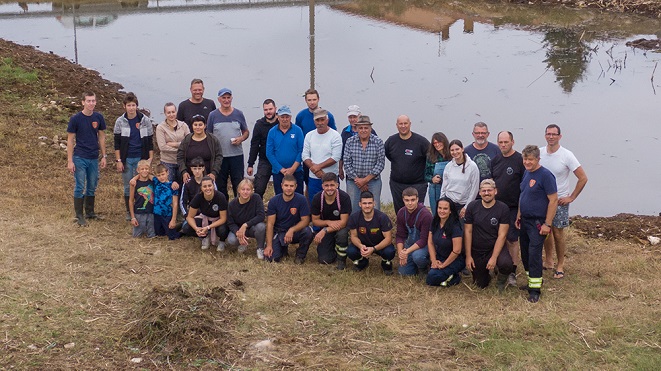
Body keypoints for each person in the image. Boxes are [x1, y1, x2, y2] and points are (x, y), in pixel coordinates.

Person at [540, 124, 588, 279]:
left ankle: (560, 265)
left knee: (558, 233)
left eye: (554, 134)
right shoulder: (539, 153)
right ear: (545, 135)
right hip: (542, 200)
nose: (551, 137)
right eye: (548, 134)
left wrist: (571, 197)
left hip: (559, 200)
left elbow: (583, 178)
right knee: (545, 231)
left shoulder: (567, 155)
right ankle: (549, 260)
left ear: (560, 136)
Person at [517, 145, 558, 303]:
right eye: (525, 159)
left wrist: (547, 224)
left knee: (534, 255)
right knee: (525, 253)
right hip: (524, 220)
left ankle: (535, 290)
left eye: (530, 160)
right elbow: (523, 195)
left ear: (538, 159)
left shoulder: (546, 175)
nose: (527, 162)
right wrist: (519, 215)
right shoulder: (527, 173)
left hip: (538, 222)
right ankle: (531, 281)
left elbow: (553, 200)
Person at [464, 179, 514, 291]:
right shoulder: (472, 207)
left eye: (489, 190)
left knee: (506, 264)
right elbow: (468, 232)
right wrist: (468, 256)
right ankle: (486, 274)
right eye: (484, 191)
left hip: (494, 247)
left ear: (495, 191)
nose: (487, 193)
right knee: (480, 284)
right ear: (479, 192)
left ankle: (501, 281)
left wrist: (494, 257)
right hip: (477, 249)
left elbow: (502, 235)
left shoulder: (503, 208)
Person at [66, 91, 107, 226]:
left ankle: (90, 212)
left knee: (92, 185)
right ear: (83, 102)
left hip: (93, 157)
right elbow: (70, 141)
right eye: (88, 101)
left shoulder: (99, 117)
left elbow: (101, 137)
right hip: (80, 157)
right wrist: (70, 161)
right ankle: (79, 216)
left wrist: (104, 156)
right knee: (80, 186)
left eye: (93, 101)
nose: (91, 103)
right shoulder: (75, 119)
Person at [491, 131, 525, 287]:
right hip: (497, 206)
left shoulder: (520, 160)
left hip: (513, 207)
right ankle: (500, 267)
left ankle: (512, 272)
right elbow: (492, 183)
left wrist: (520, 211)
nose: (503, 145)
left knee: (512, 239)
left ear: (513, 142)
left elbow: (524, 187)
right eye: (500, 142)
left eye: (506, 142)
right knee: (499, 237)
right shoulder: (495, 160)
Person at [114, 92, 154, 221]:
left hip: (141, 158)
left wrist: (150, 159)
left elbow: (149, 140)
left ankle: (142, 209)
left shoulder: (144, 120)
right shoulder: (120, 121)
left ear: (137, 106)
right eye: (129, 105)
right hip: (127, 159)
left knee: (143, 185)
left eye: (133, 105)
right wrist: (119, 160)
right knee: (128, 186)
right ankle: (128, 211)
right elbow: (117, 143)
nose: (131, 108)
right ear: (124, 106)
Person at [207, 88, 249, 200]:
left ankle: (240, 208)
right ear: (219, 99)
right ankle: (224, 212)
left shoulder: (239, 114)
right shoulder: (213, 115)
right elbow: (208, 135)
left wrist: (241, 138)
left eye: (228, 97)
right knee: (221, 186)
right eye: (223, 98)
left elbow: (246, 132)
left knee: (238, 184)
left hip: (236, 156)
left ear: (231, 98)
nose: (226, 100)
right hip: (220, 157)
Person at [384, 115, 430, 213]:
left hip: (418, 184)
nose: (403, 126)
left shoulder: (421, 142)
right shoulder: (391, 141)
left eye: (405, 123)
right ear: (397, 125)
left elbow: (431, 158)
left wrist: (430, 176)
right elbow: (388, 155)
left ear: (410, 124)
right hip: (397, 184)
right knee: (400, 212)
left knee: (417, 212)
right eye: (401, 124)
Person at [264, 175, 313, 264]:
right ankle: (282, 248)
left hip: (295, 232)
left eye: (291, 186)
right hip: (280, 232)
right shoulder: (274, 201)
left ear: (296, 187)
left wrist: (292, 229)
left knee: (308, 231)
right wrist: (269, 245)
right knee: (271, 259)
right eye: (286, 185)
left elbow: (306, 221)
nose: (288, 188)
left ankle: (300, 255)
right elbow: (270, 224)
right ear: (281, 185)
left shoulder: (302, 199)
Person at [346, 191, 396, 275]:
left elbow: (388, 239)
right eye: (364, 203)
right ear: (360, 204)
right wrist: (360, 246)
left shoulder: (382, 217)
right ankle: (362, 262)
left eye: (369, 203)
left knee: (390, 252)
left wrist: (373, 249)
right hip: (363, 245)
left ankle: (386, 263)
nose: (367, 206)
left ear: (374, 203)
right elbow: (353, 236)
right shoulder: (354, 217)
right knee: (350, 251)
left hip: (379, 245)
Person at [342, 115, 385, 212]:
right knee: (353, 208)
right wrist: (358, 181)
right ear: (356, 129)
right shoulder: (350, 142)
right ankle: (354, 227)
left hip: (373, 181)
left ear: (370, 128)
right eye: (360, 128)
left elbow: (380, 163)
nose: (363, 130)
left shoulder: (378, 142)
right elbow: (347, 162)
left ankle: (374, 227)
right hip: (354, 181)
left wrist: (365, 180)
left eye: (366, 128)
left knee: (375, 207)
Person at [295, 88, 337, 188]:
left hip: (325, 155)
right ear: (305, 100)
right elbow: (298, 136)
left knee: (327, 184)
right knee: (308, 183)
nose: (312, 102)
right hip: (308, 156)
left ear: (318, 99)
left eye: (314, 99)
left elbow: (334, 134)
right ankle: (309, 202)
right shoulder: (301, 116)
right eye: (309, 100)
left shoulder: (328, 115)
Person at [310, 172, 352, 268]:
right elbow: (315, 220)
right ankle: (332, 249)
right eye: (326, 185)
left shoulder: (344, 197)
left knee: (342, 234)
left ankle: (341, 259)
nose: (329, 188)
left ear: (337, 185)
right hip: (327, 227)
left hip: (341, 227)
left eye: (332, 185)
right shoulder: (317, 198)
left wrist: (324, 230)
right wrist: (328, 223)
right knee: (324, 260)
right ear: (322, 186)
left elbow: (344, 222)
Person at [302, 108, 342, 206]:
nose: (320, 123)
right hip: (314, 178)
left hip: (331, 177)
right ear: (314, 121)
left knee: (333, 204)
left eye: (322, 120)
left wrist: (318, 167)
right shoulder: (309, 135)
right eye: (317, 120)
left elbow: (336, 157)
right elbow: (305, 155)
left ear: (327, 120)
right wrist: (314, 169)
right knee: (315, 204)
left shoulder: (335, 136)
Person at [131, 163, 181, 240]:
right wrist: (134, 179)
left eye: (163, 174)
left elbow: (175, 204)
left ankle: (181, 228)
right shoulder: (156, 182)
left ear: (167, 172)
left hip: (167, 214)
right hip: (156, 214)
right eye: (159, 175)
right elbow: (145, 174)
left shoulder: (173, 186)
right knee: (158, 233)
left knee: (172, 236)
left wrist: (173, 219)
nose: (161, 177)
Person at [426, 197, 465, 287]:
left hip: (454, 259)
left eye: (445, 209)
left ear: (450, 211)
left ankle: (454, 278)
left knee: (431, 279)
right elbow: (430, 242)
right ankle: (446, 276)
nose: (442, 211)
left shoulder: (455, 227)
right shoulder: (434, 221)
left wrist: (443, 265)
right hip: (439, 256)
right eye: (440, 208)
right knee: (427, 266)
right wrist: (434, 261)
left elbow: (457, 251)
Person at [265, 105, 304, 194]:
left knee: (298, 197)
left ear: (290, 117)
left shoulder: (298, 130)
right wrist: (281, 169)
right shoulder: (272, 132)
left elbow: (301, 150)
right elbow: (269, 153)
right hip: (278, 172)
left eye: (287, 117)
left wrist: (293, 168)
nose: (285, 119)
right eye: (282, 117)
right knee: (280, 197)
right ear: (278, 117)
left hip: (296, 171)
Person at [396, 187, 433, 277]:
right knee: (404, 273)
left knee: (418, 256)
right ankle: (415, 265)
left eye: (413, 200)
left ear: (417, 199)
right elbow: (400, 236)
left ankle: (423, 267)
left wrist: (407, 252)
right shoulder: (401, 212)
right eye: (407, 200)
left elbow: (424, 240)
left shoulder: (425, 215)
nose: (410, 203)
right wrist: (401, 253)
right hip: (410, 245)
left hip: (424, 245)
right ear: (403, 200)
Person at [186, 176, 229, 251]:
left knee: (222, 230)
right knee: (187, 228)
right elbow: (189, 217)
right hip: (205, 218)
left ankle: (221, 241)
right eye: (204, 186)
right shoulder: (198, 197)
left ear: (213, 186)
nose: (207, 188)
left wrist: (208, 227)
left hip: (218, 220)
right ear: (201, 188)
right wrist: (196, 229)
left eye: (209, 185)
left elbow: (223, 218)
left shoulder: (220, 197)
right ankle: (204, 237)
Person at [177, 114, 223, 185]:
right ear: (192, 126)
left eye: (200, 125)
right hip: (190, 177)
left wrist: (214, 173)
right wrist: (184, 172)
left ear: (205, 126)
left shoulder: (213, 140)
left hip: (208, 177)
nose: (198, 127)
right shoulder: (187, 140)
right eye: (195, 125)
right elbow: (180, 156)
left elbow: (219, 156)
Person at [226, 178, 266, 258]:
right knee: (231, 240)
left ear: (252, 191)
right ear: (238, 190)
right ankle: (242, 243)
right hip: (239, 229)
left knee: (261, 227)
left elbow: (261, 215)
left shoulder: (256, 198)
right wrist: (237, 232)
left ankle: (260, 248)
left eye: (248, 189)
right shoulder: (232, 204)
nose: (245, 192)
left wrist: (246, 225)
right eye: (243, 189)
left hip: (252, 227)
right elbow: (230, 222)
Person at [247, 99, 278, 198]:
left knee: (281, 188)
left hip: (280, 160)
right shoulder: (259, 125)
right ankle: (256, 209)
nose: (268, 112)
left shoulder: (281, 122)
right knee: (259, 188)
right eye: (266, 110)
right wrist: (250, 164)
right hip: (265, 160)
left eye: (270, 109)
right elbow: (254, 145)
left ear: (275, 108)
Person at [440, 139, 480, 219]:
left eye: (457, 149)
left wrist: (466, 207)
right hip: (449, 203)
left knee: (462, 230)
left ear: (462, 149)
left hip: (463, 205)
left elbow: (474, 189)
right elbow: (444, 186)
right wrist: (442, 203)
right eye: (452, 150)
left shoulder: (472, 167)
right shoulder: (448, 166)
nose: (455, 152)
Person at [338, 105, 377, 182]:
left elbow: (377, 154)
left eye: (355, 117)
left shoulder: (371, 131)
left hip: (370, 175)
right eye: (350, 117)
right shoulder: (345, 132)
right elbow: (342, 153)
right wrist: (340, 169)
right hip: (352, 174)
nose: (352, 120)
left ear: (360, 116)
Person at [155, 102, 190, 182]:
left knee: (182, 186)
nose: (171, 114)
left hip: (182, 162)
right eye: (169, 112)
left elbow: (189, 142)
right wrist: (182, 148)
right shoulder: (160, 128)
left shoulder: (183, 125)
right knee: (169, 187)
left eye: (173, 112)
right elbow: (162, 147)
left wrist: (175, 144)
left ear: (176, 112)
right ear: (165, 113)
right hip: (167, 162)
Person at [425, 132, 451, 216]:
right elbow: (426, 175)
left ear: (444, 141)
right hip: (435, 189)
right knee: (436, 214)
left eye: (439, 142)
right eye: (434, 143)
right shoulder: (431, 156)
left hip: (450, 188)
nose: (437, 145)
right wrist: (432, 179)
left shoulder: (452, 154)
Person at [179, 157, 207, 236]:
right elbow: (182, 201)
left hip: (207, 215)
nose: (197, 171)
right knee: (186, 228)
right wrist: (186, 215)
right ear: (191, 169)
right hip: (193, 214)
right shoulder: (188, 182)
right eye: (195, 168)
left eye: (199, 168)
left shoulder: (209, 182)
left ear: (203, 168)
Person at [129, 160, 155, 238]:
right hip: (139, 212)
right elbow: (131, 200)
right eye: (142, 169)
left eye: (146, 169)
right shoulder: (134, 183)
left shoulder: (152, 181)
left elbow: (159, 179)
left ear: (150, 170)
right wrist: (133, 217)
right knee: (136, 236)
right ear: (138, 170)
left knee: (152, 235)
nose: (144, 171)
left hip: (151, 212)